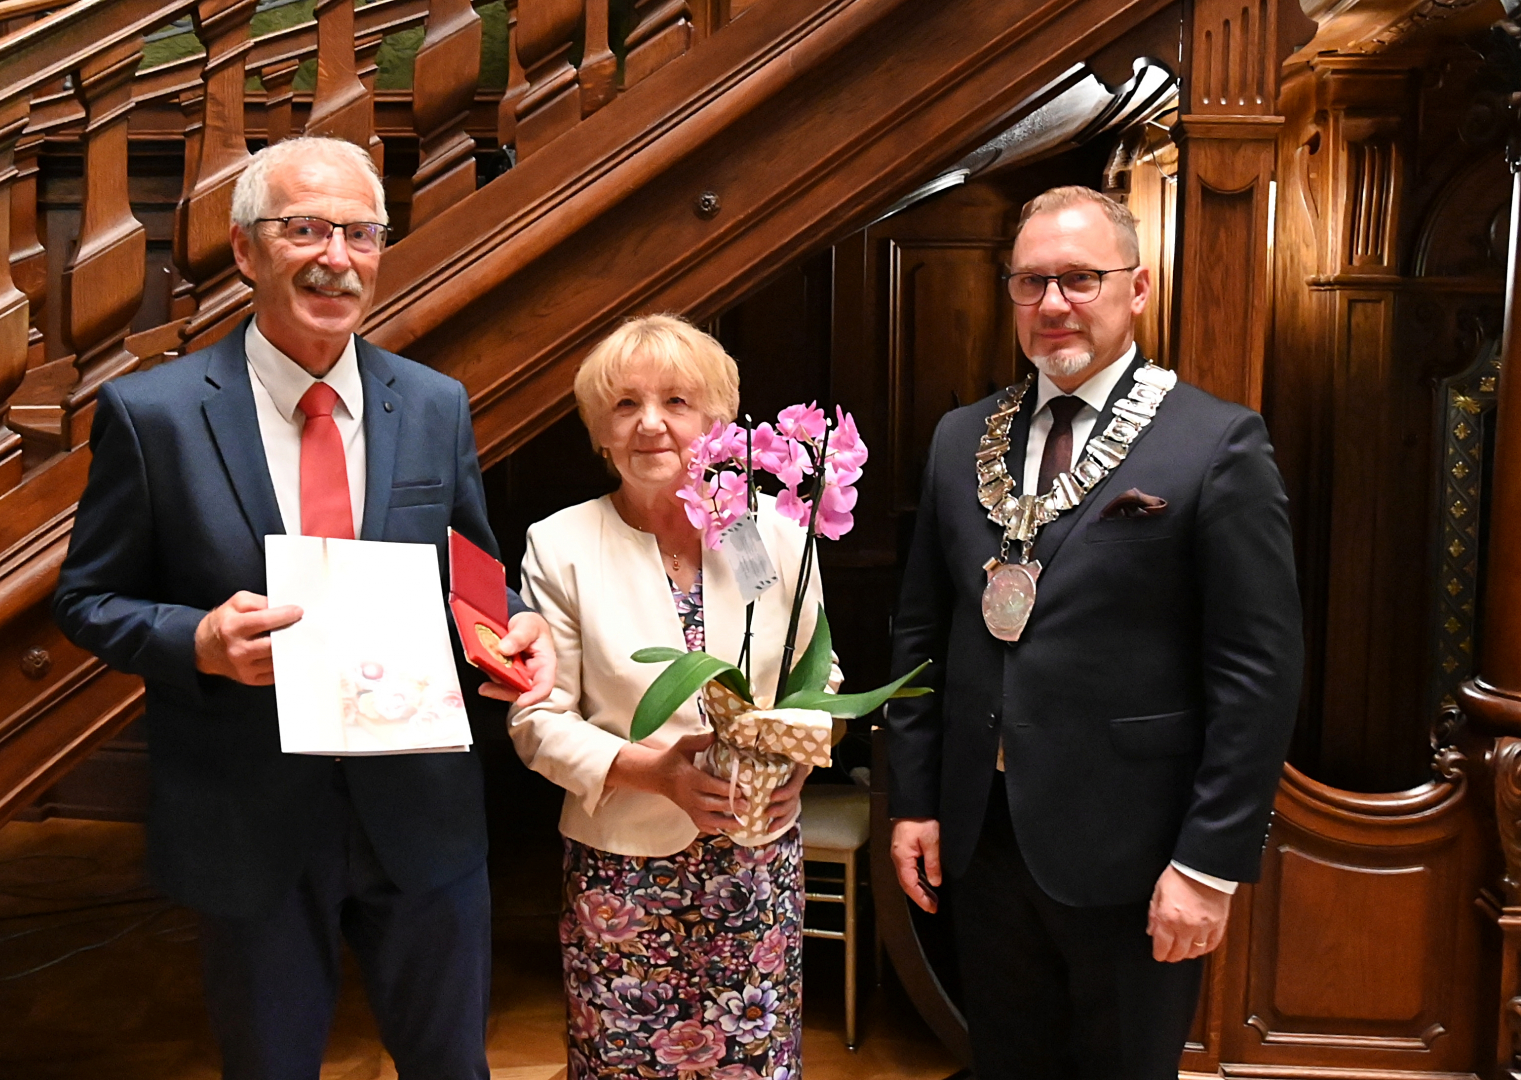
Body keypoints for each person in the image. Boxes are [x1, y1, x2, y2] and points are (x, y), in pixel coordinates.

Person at [53, 135, 556, 1080]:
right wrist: (197, 640)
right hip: (251, 821)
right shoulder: (153, 417)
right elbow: (87, 599)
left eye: (361, 233)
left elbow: (471, 572)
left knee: (453, 1066)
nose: (337, 256)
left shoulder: (435, 404)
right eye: (305, 229)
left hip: (422, 813)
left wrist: (515, 623)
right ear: (246, 250)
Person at [885, 186, 1303, 1079]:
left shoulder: (1216, 443)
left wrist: (1208, 864)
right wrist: (915, 800)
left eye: (1080, 279)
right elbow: (922, 634)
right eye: (1031, 282)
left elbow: (1258, 674)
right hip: (984, 836)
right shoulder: (960, 439)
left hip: (1136, 846)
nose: (1053, 304)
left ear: (1138, 288)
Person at [507, 314, 835, 1080]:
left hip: (754, 865)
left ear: (717, 421)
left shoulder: (765, 535)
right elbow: (537, 722)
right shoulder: (562, 546)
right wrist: (654, 774)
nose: (650, 424)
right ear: (600, 430)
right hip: (624, 875)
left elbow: (819, 677)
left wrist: (798, 765)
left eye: (677, 402)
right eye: (625, 405)